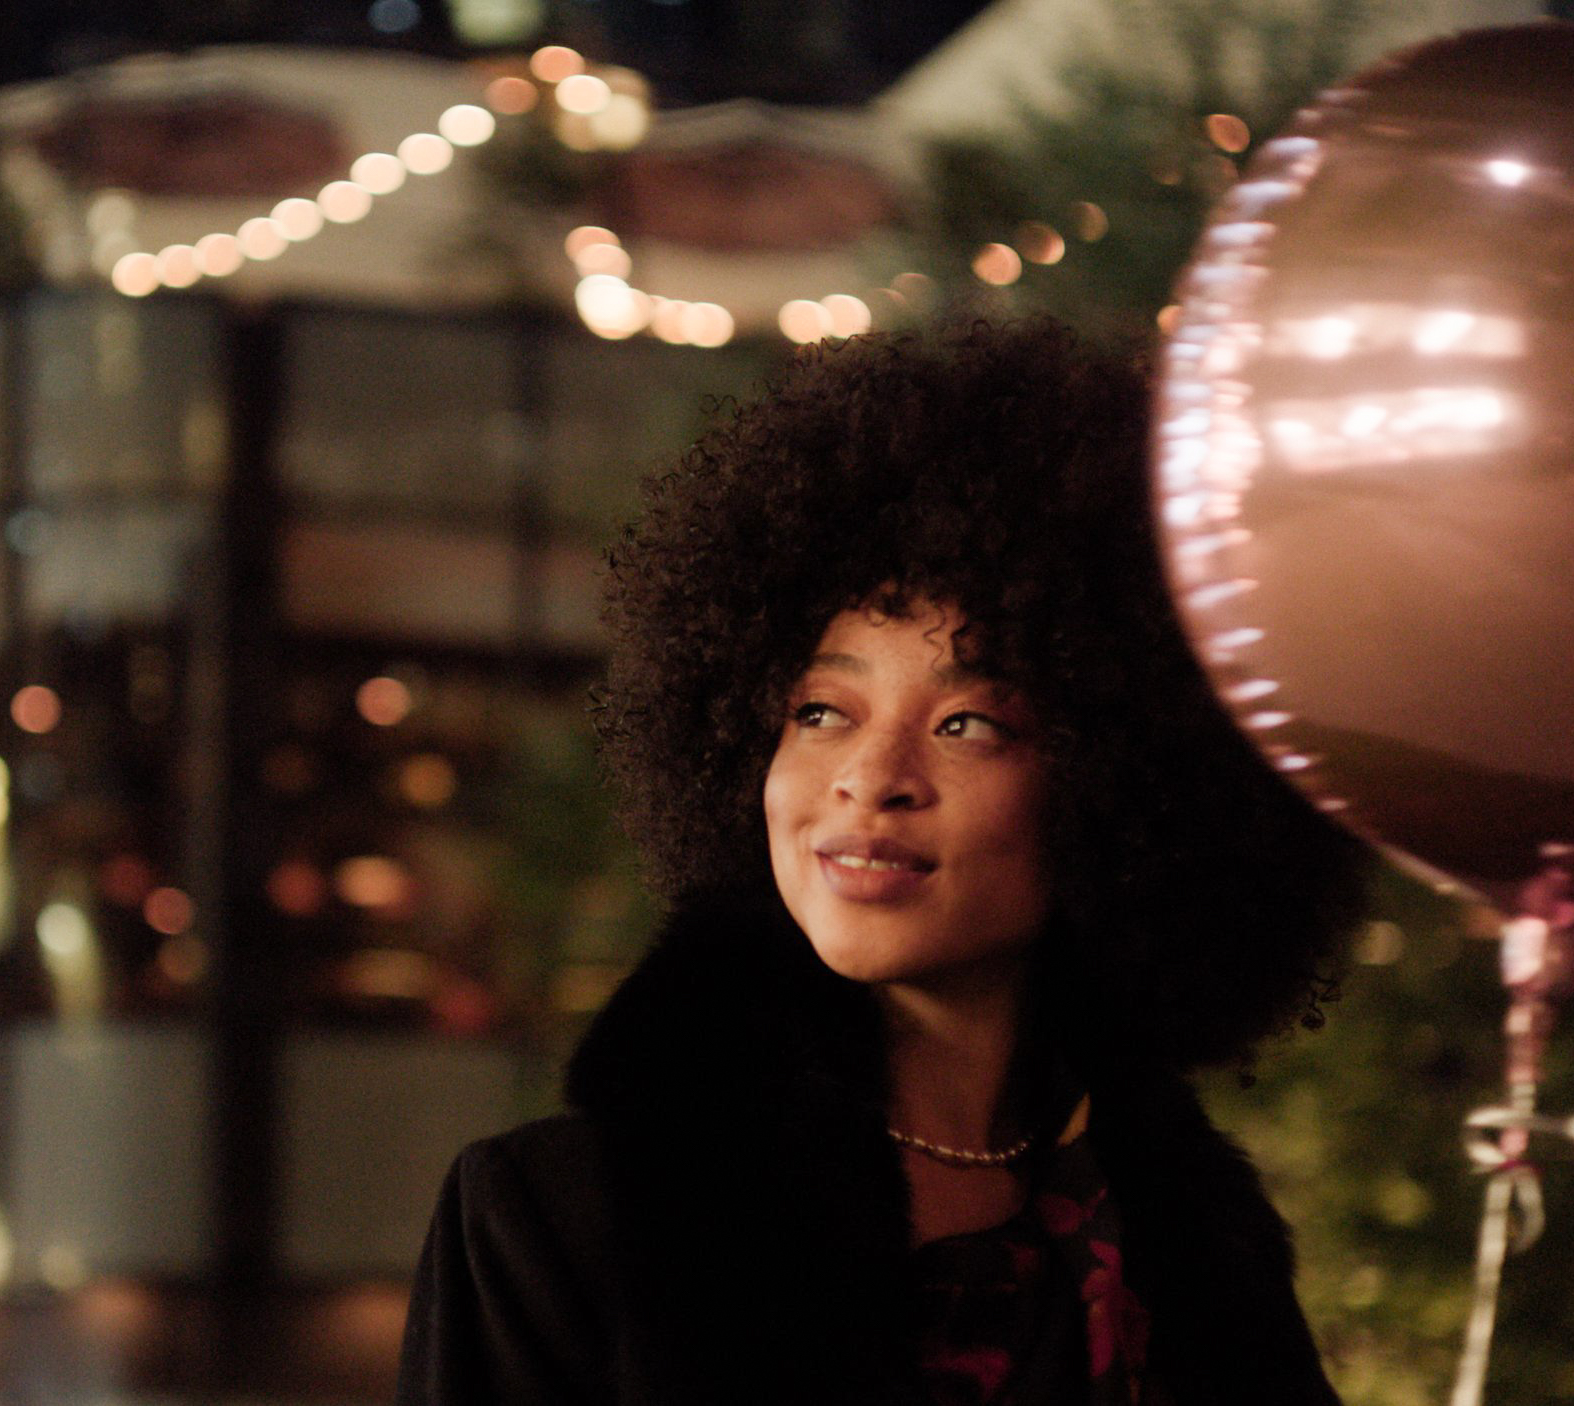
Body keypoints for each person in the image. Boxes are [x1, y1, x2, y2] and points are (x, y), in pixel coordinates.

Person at [396, 319, 1366, 1405]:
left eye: (967, 724)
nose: (870, 776)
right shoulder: (558, 1216)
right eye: (819, 711)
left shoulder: (1185, 1235)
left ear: (1122, 780)